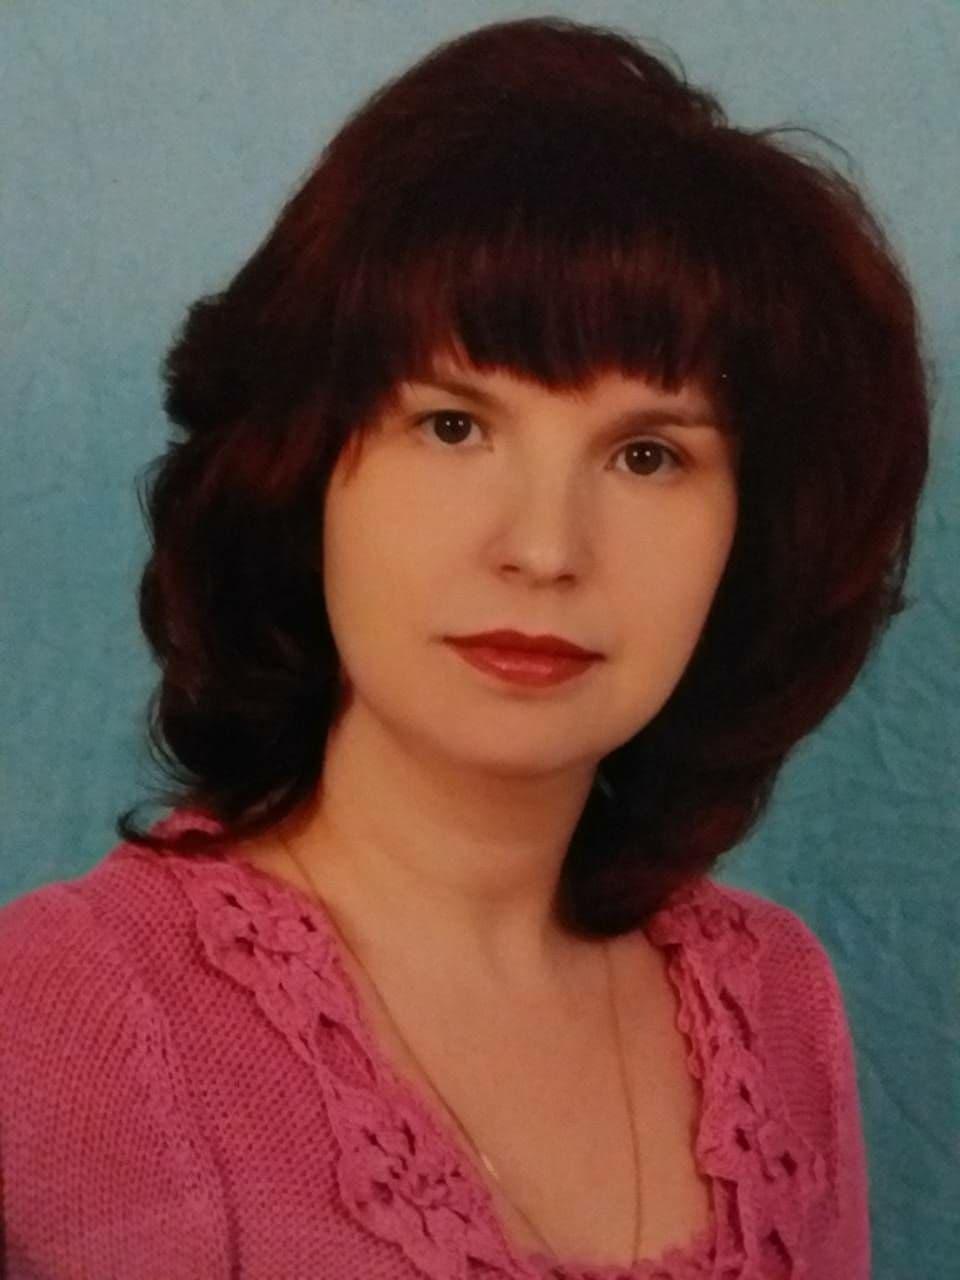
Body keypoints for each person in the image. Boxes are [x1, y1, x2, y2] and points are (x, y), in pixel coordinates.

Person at [0, 15, 932, 1279]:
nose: (544, 547)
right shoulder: (65, 1014)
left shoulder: (777, 999)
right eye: (452, 425)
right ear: (303, 467)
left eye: (647, 454)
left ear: (754, 535)